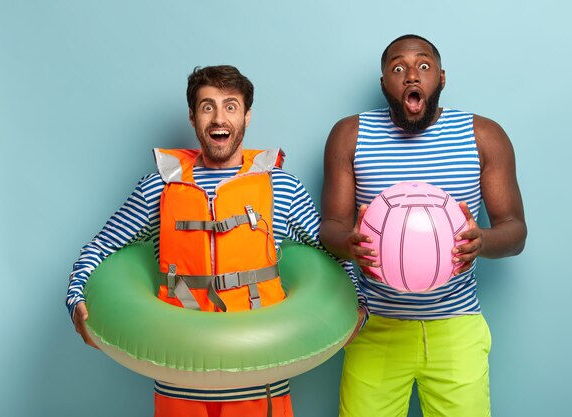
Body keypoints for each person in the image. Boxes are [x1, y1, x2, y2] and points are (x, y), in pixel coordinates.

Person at [66, 65, 358, 417]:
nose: (219, 118)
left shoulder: (282, 187)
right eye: (208, 106)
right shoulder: (158, 187)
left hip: (260, 364)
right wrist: (76, 295)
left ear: (247, 116)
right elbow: (101, 246)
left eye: (231, 106)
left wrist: (357, 304)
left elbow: (331, 255)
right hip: (178, 365)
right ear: (192, 117)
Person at [321, 34, 527, 417]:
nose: (411, 76)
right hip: (375, 327)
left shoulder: (484, 136)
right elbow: (329, 227)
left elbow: (515, 231)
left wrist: (481, 240)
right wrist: (350, 243)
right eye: (398, 68)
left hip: (456, 327)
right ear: (384, 83)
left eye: (424, 66)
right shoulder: (350, 135)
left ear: (442, 79)